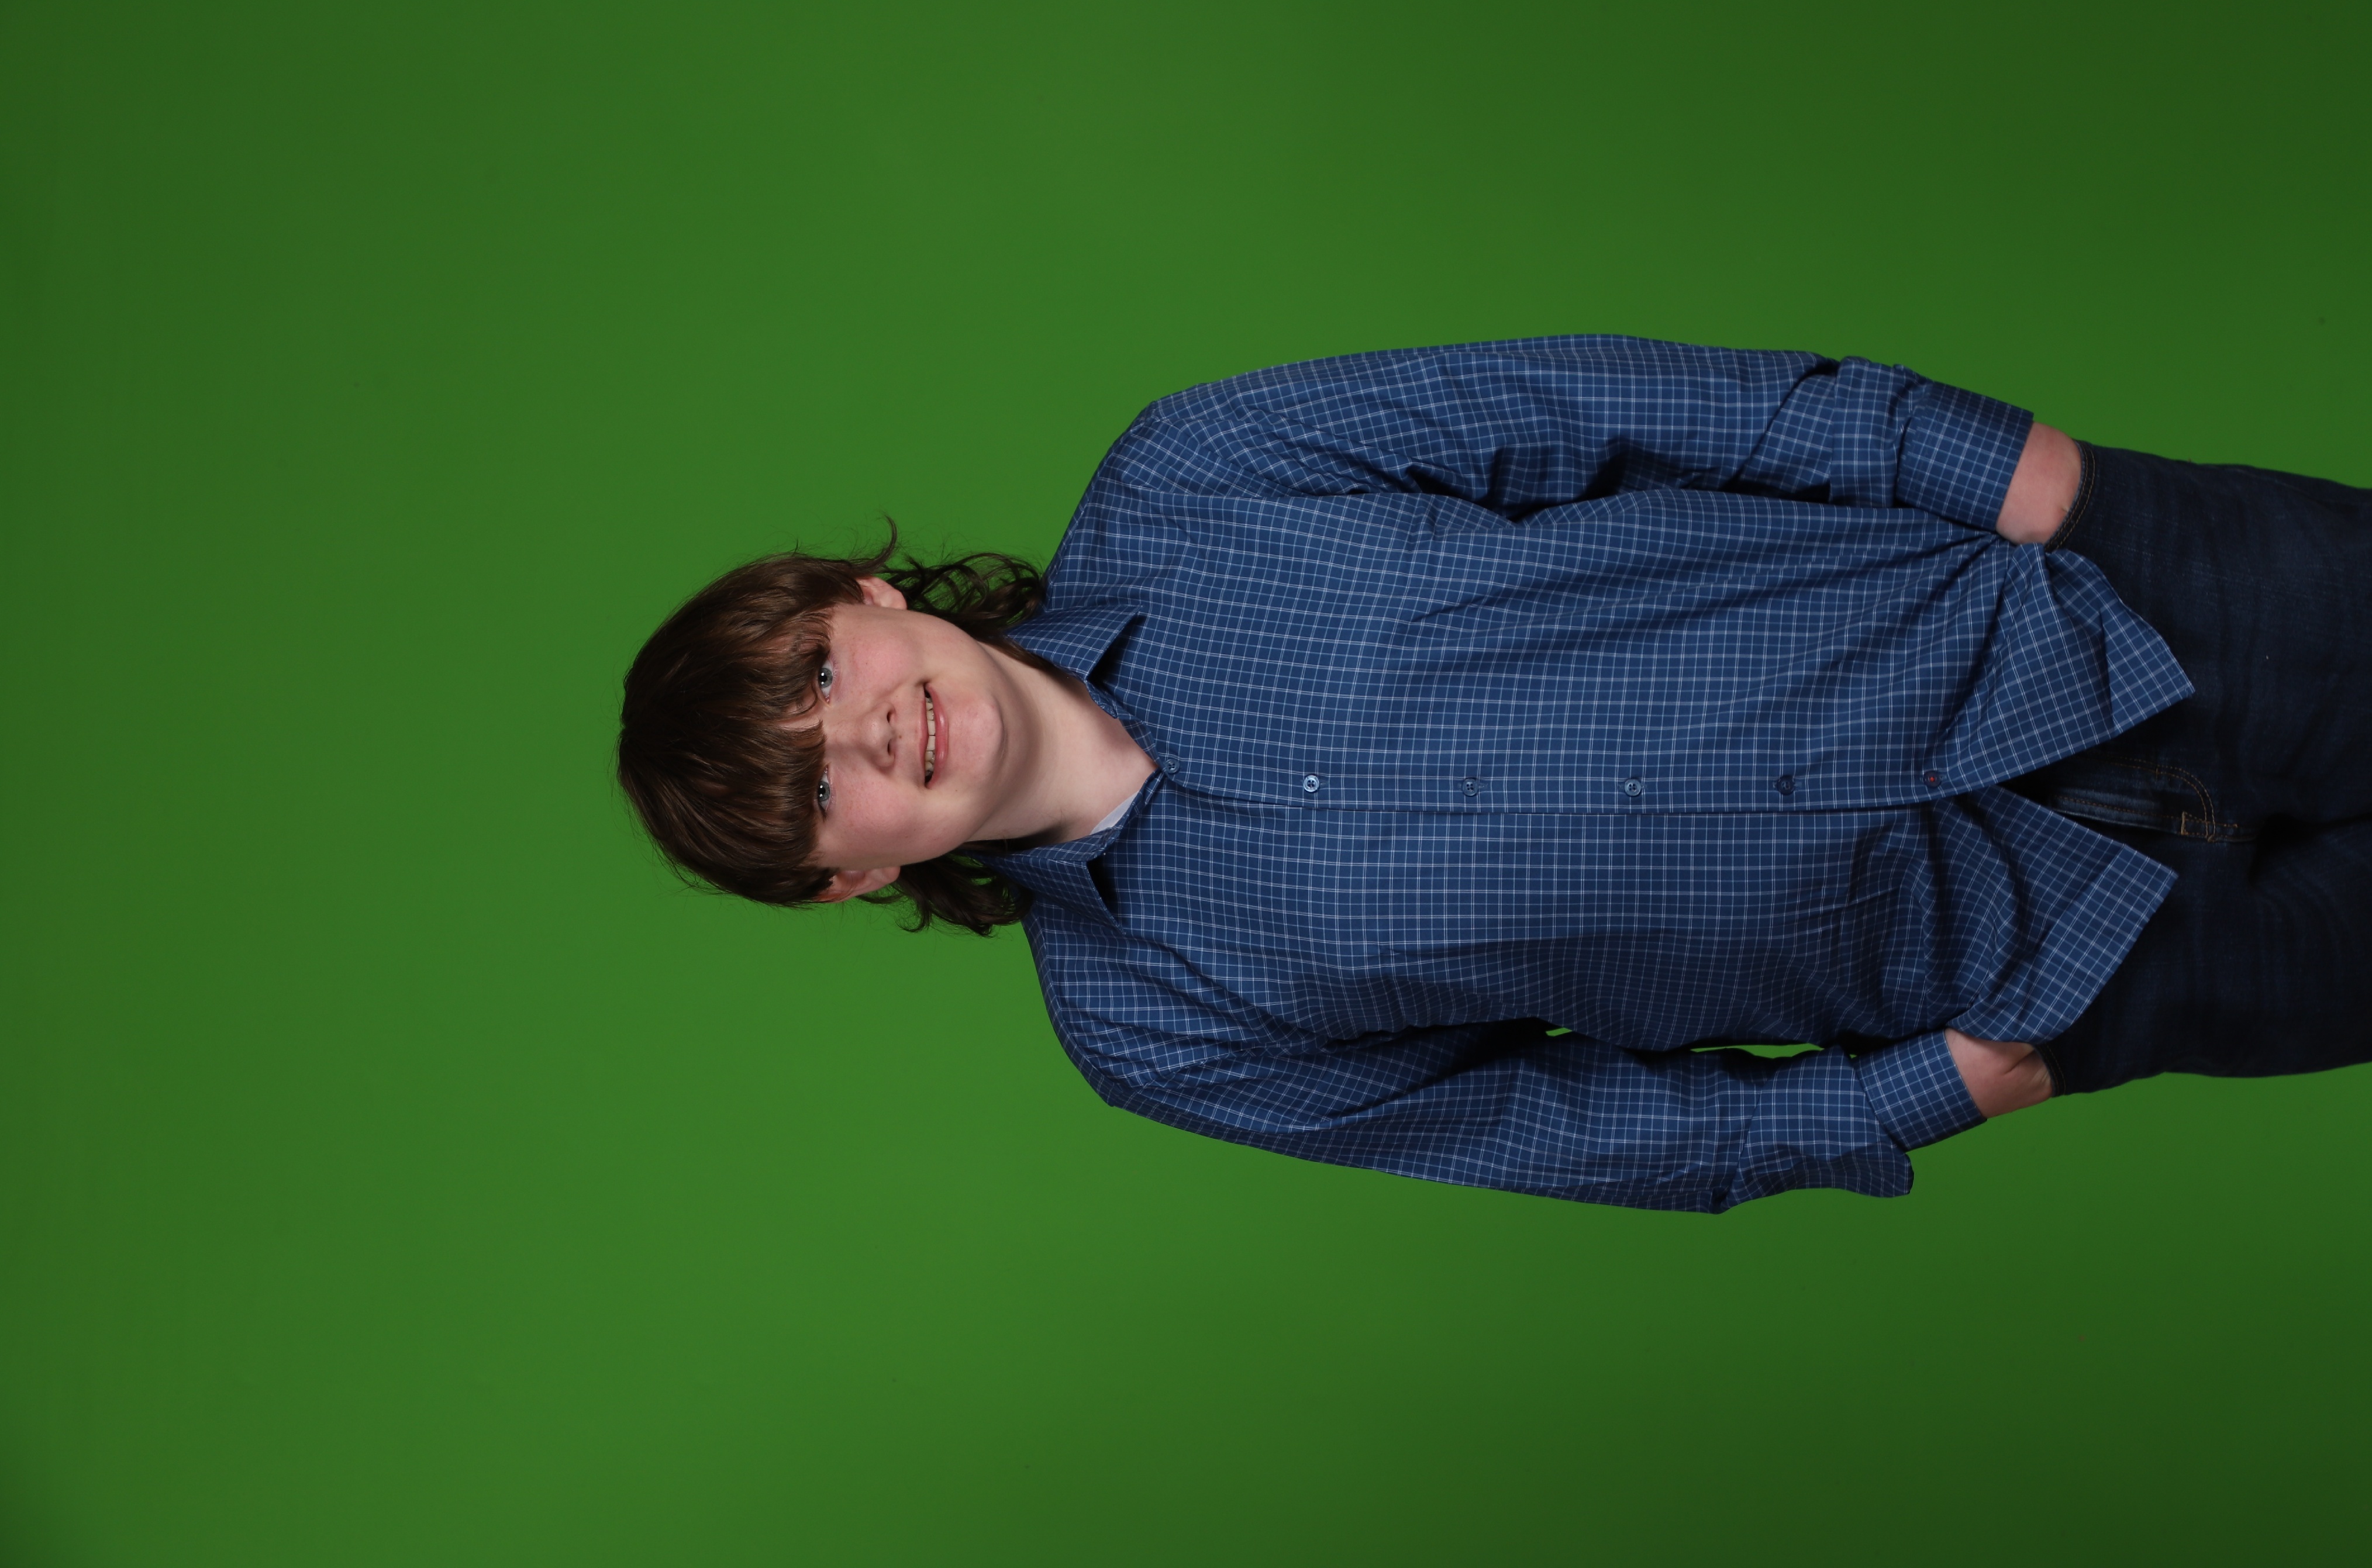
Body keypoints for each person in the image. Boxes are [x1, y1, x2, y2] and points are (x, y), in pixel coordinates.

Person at [618, 337, 2371, 1213]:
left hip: (2104, 603)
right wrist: (1904, 1103)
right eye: (821, 791)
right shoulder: (1147, 1031)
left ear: (867, 598)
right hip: (2071, 963)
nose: (872, 731)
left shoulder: (1195, 473)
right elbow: (1556, 1128)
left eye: (824, 677)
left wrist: (1995, 466)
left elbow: (1606, 403)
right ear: (853, 875)